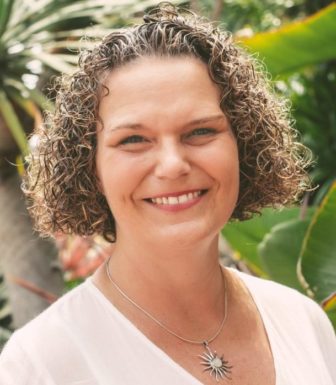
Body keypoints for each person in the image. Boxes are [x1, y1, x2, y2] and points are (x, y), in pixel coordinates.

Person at [0, 2, 335, 384]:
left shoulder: (302, 322)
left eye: (200, 131)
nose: (173, 164)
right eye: (135, 139)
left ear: (244, 143)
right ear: (88, 166)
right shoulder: (41, 364)